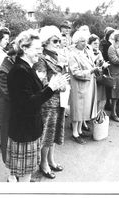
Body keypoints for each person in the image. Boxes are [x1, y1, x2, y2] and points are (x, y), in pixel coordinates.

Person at [5, 29, 69, 182]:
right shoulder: (20, 71)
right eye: (36, 49)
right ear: (25, 49)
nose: (40, 53)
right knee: (24, 177)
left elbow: (30, 96)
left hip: (28, 129)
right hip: (24, 131)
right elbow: (29, 104)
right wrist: (50, 87)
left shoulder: (26, 68)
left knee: (25, 175)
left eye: (41, 49)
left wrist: (43, 84)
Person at [33, 25, 67, 179]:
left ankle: (51, 160)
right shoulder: (41, 59)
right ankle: (43, 164)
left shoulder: (57, 56)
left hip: (59, 100)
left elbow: (64, 78)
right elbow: (43, 83)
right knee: (47, 133)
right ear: (45, 42)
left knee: (54, 133)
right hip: (47, 102)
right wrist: (60, 83)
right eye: (55, 40)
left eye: (59, 40)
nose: (58, 43)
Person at [68, 31, 99, 144]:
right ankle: (75, 133)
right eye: (82, 41)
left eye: (85, 41)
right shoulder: (72, 54)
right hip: (79, 85)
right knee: (78, 109)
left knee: (84, 108)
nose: (85, 43)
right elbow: (75, 72)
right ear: (76, 42)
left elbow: (92, 64)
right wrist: (91, 71)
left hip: (88, 84)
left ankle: (80, 131)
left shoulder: (86, 51)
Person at [0, 45, 18, 182]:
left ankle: (17, 171)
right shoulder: (2, 71)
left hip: (16, 108)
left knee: (17, 140)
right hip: (7, 110)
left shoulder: (14, 66)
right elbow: (8, 94)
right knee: (7, 140)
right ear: (12, 56)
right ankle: (11, 173)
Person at [88, 34, 110, 112]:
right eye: (95, 43)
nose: (97, 45)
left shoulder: (99, 52)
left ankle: (96, 115)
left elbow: (101, 61)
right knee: (90, 97)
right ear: (89, 44)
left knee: (99, 97)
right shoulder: (88, 52)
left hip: (99, 77)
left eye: (98, 43)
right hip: (91, 77)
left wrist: (103, 64)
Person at [99, 27, 115, 111]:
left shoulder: (114, 43)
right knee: (107, 83)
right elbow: (101, 52)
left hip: (113, 66)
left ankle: (110, 102)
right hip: (106, 64)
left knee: (111, 84)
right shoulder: (104, 42)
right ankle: (107, 102)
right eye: (112, 34)